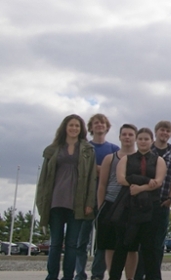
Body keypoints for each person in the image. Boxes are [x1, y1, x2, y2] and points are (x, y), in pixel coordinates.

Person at [36, 114, 97, 280]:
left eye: (77, 126)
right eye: (71, 125)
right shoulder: (52, 149)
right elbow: (43, 179)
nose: (74, 128)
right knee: (55, 243)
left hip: (77, 203)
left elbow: (92, 177)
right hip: (55, 201)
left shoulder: (87, 150)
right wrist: (41, 203)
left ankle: (68, 277)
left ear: (81, 129)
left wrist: (89, 202)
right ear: (65, 127)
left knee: (72, 244)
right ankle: (52, 276)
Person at [108, 128, 167, 280]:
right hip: (129, 206)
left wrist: (140, 187)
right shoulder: (126, 159)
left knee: (149, 247)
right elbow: (121, 179)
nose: (143, 141)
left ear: (152, 141)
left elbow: (159, 182)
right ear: (136, 140)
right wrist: (146, 180)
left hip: (150, 207)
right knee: (123, 244)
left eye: (146, 139)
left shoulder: (158, 160)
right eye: (140, 138)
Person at [134, 120, 171, 280]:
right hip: (144, 202)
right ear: (156, 132)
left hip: (162, 202)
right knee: (142, 241)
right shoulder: (147, 150)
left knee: (158, 243)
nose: (165, 133)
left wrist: (170, 197)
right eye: (162, 130)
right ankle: (138, 274)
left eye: (168, 131)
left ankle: (154, 276)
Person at [76, 113, 120, 280]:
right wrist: (100, 169)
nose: (100, 125)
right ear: (91, 127)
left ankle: (97, 274)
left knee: (101, 242)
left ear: (107, 127)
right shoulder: (84, 148)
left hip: (105, 200)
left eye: (102, 123)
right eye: (96, 123)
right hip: (85, 199)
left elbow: (116, 173)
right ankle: (80, 273)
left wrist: (98, 170)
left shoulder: (113, 149)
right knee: (81, 241)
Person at [96, 124, 139, 279]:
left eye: (130, 134)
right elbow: (102, 184)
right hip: (111, 204)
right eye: (124, 134)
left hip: (132, 207)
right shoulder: (110, 158)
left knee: (131, 247)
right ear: (120, 137)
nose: (127, 137)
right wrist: (101, 206)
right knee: (110, 245)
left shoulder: (141, 159)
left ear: (135, 137)